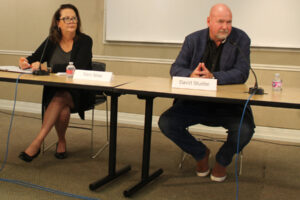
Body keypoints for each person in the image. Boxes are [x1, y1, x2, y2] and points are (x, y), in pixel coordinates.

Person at [158, 4, 255, 182]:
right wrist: (191, 74)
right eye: (220, 22)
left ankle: (222, 161)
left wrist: (213, 77)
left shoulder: (240, 39)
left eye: (229, 22)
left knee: (246, 130)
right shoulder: (193, 40)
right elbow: (175, 68)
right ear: (209, 21)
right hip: (194, 104)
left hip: (228, 106)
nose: (225, 27)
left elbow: (242, 73)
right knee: (166, 122)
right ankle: (200, 153)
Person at [18, 4, 94, 162]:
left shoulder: (85, 41)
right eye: (66, 18)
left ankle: (37, 142)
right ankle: (61, 140)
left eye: (74, 18)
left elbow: (77, 67)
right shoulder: (52, 41)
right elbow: (34, 58)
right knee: (62, 109)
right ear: (58, 23)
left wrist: (49, 68)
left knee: (61, 98)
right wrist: (25, 62)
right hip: (55, 91)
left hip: (80, 91)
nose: (71, 21)